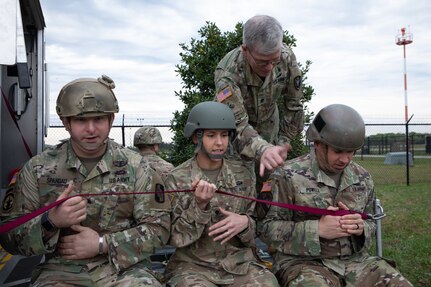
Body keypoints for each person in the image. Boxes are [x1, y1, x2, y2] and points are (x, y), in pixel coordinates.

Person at [0, 75, 171, 286]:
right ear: (65, 122)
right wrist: (50, 221)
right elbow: (8, 237)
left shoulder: (137, 167)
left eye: (98, 119)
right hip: (61, 272)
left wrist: (104, 243)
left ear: (111, 120)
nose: (91, 129)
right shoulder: (37, 169)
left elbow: (159, 229)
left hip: (125, 271)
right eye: (81, 120)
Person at [258, 104, 413, 286]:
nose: (345, 159)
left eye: (351, 152)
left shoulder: (362, 177)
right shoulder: (287, 175)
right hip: (304, 263)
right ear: (318, 144)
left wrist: (361, 228)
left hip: (356, 263)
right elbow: (266, 229)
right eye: (338, 151)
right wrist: (317, 230)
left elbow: (372, 222)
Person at [164, 101, 279, 287]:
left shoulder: (243, 174)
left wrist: (244, 223)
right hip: (193, 266)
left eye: (224, 135)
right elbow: (175, 237)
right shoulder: (176, 179)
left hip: (239, 264)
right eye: (211, 135)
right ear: (196, 137)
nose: (219, 143)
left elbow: (258, 223)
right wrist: (199, 206)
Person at [214, 15, 304, 178]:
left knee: (270, 187)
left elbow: (294, 105)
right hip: (237, 143)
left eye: (274, 61)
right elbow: (237, 125)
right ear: (245, 50)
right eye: (262, 62)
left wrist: (283, 142)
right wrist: (263, 149)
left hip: (271, 131)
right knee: (239, 186)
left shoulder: (286, 57)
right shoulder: (228, 75)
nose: (270, 68)